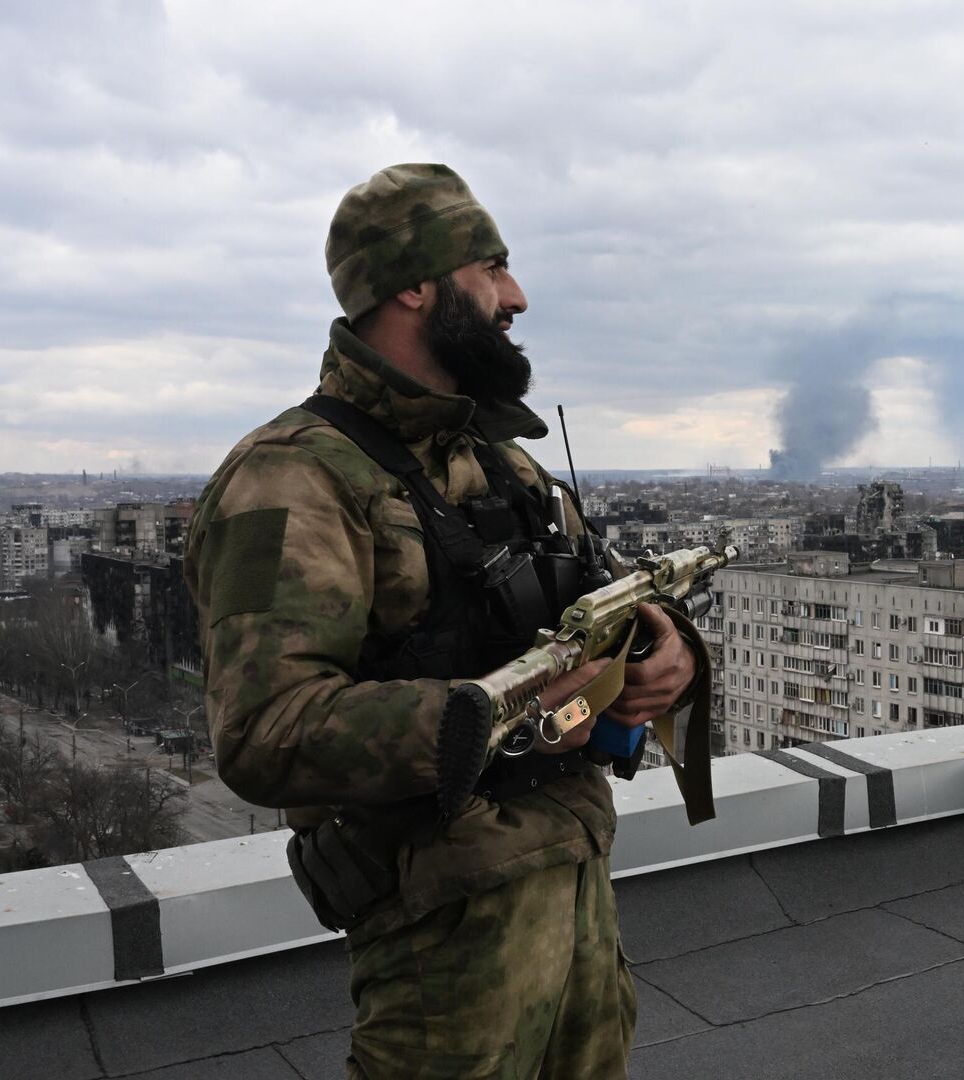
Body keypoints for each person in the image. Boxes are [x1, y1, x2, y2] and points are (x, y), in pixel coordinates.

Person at [184, 163, 712, 1079]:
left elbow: (610, 601)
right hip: (446, 960)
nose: (517, 296)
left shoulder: (503, 468)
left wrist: (671, 654)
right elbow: (265, 732)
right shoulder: (295, 478)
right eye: (491, 267)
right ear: (414, 285)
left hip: (579, 924)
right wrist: (497, 712)